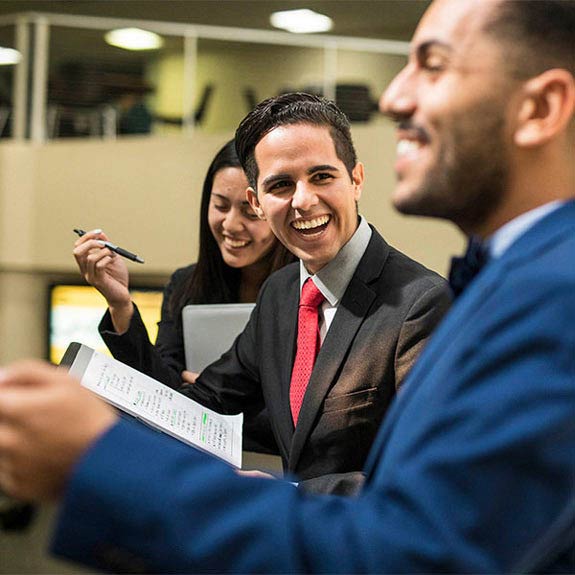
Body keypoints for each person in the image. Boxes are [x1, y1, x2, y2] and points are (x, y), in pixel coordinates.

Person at [1, 0, 573, 570]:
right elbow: (200, 408)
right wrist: (108, 363)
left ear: (356, 180)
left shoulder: (475, 299)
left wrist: (97, 461)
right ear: (260, 200)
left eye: (433, 63)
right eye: (279, 186)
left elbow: (420, 538)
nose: (395, 97)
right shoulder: (283, 294)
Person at [73, 139, 294, 453]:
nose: (231, 224)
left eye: (249, 212)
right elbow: (159, 391)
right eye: (219, 206)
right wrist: (120, 303)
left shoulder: (304, 292)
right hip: (194, 459)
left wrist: (220, 391)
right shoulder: (186, 284)